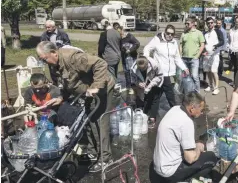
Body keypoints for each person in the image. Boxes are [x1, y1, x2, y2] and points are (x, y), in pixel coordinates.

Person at [36, 41, 114, 172]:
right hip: (87, 91)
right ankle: (93, 152)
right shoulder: (55, 64)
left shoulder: (72, 57)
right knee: (88, 121)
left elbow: (100, 64)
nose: (44, 63)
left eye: (44, 59)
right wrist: (60, 98)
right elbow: (67, 83)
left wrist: (96, 87)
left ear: (53, 53)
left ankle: (106, 159)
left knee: (100, 123)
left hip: (102, 88)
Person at [150, 92, 218, 183]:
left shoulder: (175, 109)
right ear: (192, 108)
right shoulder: (186, 122)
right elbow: (190, 159)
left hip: (158, 165)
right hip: (170, 172)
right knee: (211, 157)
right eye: (201, 110)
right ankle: (186, 180)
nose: (202, 113)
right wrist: (198, 147)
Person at [143, 25, 188, 109]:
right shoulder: (157, 39)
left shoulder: (174, 42)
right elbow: (147, 48)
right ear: (165, 32)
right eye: (168, 33)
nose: (170, 35)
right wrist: (148, 60)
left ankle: (172, 113)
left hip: (170, 74)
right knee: (161, 95)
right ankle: (153, 116)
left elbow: (177, 58)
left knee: (165, 95)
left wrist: (184, 68)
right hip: (159, 73)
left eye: (172, 34)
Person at [131, 56, 163, 128]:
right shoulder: (133, 68)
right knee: (145, 98)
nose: (142, 70)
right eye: (140, 69)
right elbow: (133, 78)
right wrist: (138, 83)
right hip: (143, 83)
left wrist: (150, 84)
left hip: (155, 81)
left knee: (155, 99)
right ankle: (145, 114)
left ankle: (152, 118)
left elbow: (160, 76)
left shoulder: (155, 65)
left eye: (143, 69)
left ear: (147, 64)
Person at [180, 17, 205, 92]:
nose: (186, 25)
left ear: (193, 23)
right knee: (184, 76)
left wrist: (197, 56)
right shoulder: (184, 33)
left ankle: (197, 93)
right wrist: (180, 55)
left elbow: (202, 45)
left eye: (188, 23)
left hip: (194, 59)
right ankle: (186, 92)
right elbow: (181, 45)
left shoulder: (199, 33)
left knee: (194, 76)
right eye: (185, 23)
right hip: (184, 58)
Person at [202, 17, 224, 95]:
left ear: (214, 23)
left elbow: (222, 41)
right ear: (206, 24)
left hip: (215, 55)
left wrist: (216, 46)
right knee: (208, 71)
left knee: (214, 71)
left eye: (211, 22)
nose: (210, 24)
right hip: (207, 55)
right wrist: (203, 52)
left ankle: (216, 88)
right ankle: (210, 85)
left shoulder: (218, 31)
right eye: (208, 23)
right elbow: (203, 44)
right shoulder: (205, 33)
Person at [119, 26, 140, 95]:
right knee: (126, 71)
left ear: (123, 30)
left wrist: (130, 50)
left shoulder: (130, 36)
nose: (120, 34)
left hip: (131, 56)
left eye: (120, 32)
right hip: (124, 57)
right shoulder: (119, 38)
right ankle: (128, 86)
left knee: (132, 72)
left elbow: (137, 43)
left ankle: (133, 87)